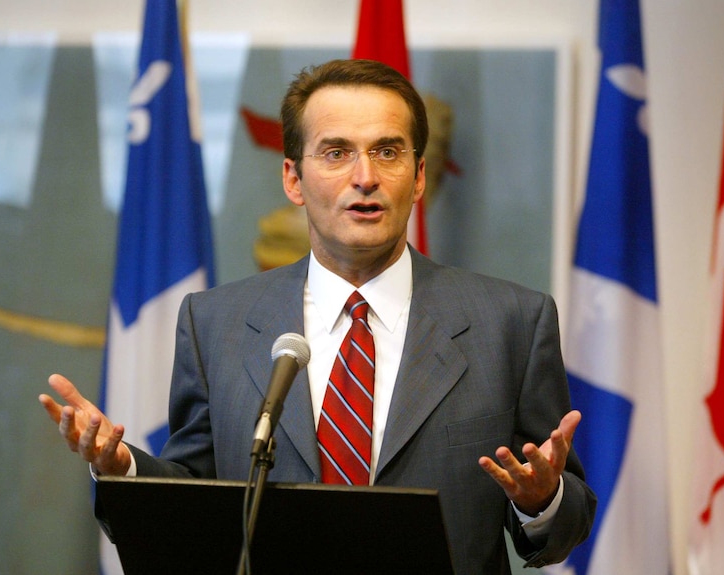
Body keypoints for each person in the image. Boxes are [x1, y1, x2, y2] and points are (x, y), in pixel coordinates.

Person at [40, 58, 596, 574]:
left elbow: (567, 521)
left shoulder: (512, 323)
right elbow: (196, 491)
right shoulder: (217, 323)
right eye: (336, 152)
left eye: (387, 151)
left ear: (419, 176)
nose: (364, 176)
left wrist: (542, 499)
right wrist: (125, 473)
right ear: (292, 179)